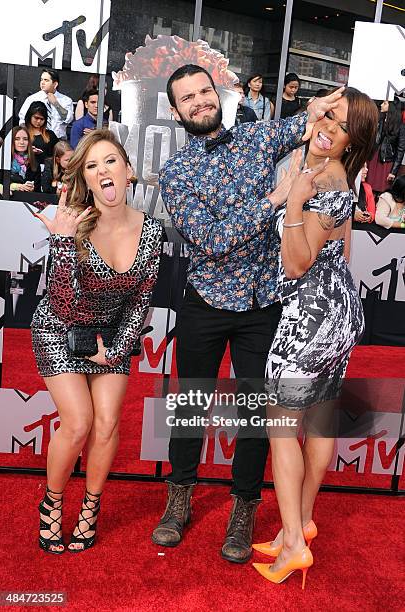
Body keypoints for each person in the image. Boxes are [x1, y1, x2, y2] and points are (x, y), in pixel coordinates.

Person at [154, 62, 345, 563]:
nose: (199, 101)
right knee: (191, 403)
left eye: (204, 92)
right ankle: (179, 497)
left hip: (262, 304)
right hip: (205, 302)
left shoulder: (258, 139)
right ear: (176, 112)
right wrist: (273, 201)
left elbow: (302, 125)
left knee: (258, 415)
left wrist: (320, 109)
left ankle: (244, 507)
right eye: (187, 98)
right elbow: (211, 242)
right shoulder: (175, 174)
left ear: (218, 95)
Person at [252, 88, 378, 588]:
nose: (325, 122)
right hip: (339, 308)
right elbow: (337, 252)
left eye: (338, 121)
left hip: (312, 315)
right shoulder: (334, 171)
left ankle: (295, 546)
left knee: (282, 426)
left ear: (354, 139)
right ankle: (298, 525)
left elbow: (296, 262)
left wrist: (294, 204)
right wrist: (313, 120)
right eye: (325, 111)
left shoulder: (326, 180)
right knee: (320, 419)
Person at [31, 129, 162, 554]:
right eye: (91, 166)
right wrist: (63, 242)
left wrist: (118, 349)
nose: (102, 171)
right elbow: (62, 302)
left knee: (106, 424)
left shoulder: (153, 232)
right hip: (59, 330)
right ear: (85, 181)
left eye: (110, 161)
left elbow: (142, 299)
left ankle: (90, 505)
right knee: (79, 422)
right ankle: (51, 503)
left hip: (111, 337)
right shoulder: (75, 225)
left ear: (127, 172)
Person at [18, 69, 73, 139]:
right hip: (35, 139)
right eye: (41, 80)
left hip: (58, 140)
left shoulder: (65, 100)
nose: (42, 83)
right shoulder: (32, 99)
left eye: (46, 80)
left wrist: (56, 103)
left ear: (55, 84)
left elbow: (68, 119)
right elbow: (22, 120)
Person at [367, 99, 405, 195]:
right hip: (373, 157)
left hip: (386, 160)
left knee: (381, 190)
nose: (381, 105)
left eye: (385, 103)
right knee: (367, 187)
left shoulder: (400, 126)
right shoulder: (379, 120)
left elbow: (401, 150)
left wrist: (393, 171)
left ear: (391, 107)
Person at [2, 126, 42, 193]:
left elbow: (38, 191)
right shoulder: (3, 160)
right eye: (17, 139)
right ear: (11, 141)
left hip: (26, 200)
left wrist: (32, 189)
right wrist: (17, 186)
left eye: (25, 139)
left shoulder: (34, 163)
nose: (22, 142)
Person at [24, 101, 59, 166]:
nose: (38, 121)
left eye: (42, 119)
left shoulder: (50, 135)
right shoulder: (22, 133)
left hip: (46, 171)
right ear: (30, 116)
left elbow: (58, 153)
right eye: (36, 118)